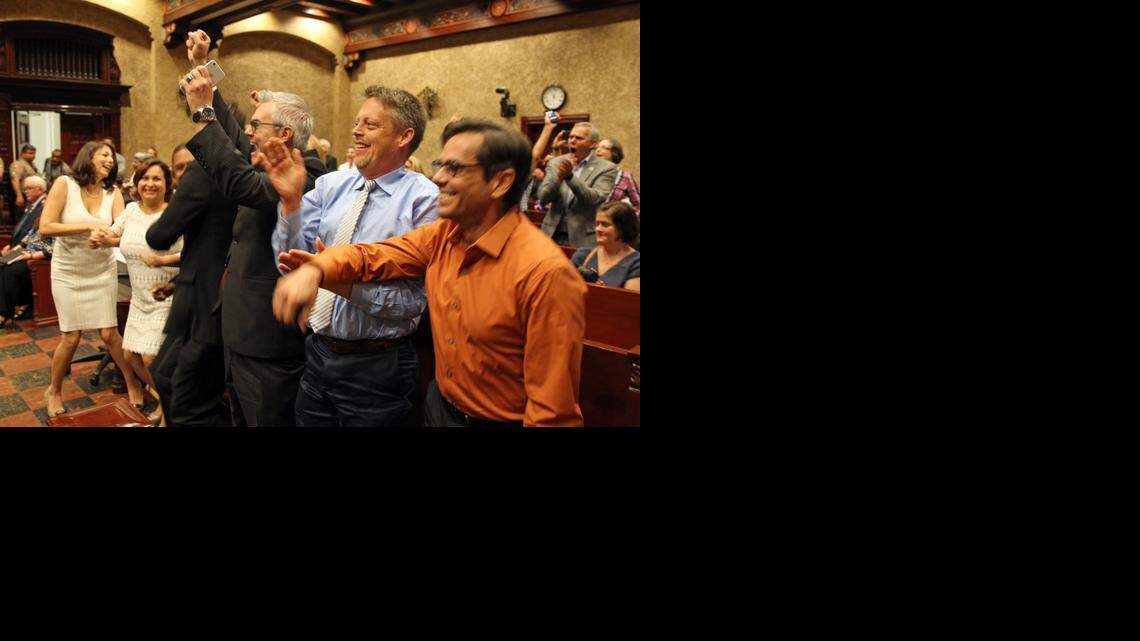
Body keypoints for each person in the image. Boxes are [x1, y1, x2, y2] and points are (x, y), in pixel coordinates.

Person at [269, 118, 585, 427]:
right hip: (440, 406)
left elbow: (551, 409)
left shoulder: (545, 272)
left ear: (500, 182)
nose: (437, 178)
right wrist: (317, 270)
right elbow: (375, 255)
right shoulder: (444, 235)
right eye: (440, 164)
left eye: (454, 168)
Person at [268, 85, 438, 428]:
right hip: (318, 354)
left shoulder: (425, 200)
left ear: (404, 136)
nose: (356, 131)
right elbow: (290, 261)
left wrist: (336, 281)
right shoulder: (333, 185)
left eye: (370, 125)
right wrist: (291, 206)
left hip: (379, 366)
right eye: (357, 122)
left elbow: (412, 305)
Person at [182, 67, 327, 427]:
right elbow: (233, 141)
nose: (248, 130)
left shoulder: (307, 176)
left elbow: (236, 180)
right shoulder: (266, 168)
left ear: (285, 134)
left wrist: (203, 113)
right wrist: (210, 87)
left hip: (269, 344)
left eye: (257, 125)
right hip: (242, 332)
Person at [145, 29, 245, 427]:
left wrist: (180, 199)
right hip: (195, 298)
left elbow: (158, 235)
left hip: (209, 304)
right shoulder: (232, 159)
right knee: (166, 377)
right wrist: (199, 65)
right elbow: (223, 122)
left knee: (189, 399)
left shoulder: (211, 172)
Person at [37, 140, 144, 417]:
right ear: (89, 156)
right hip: (67, 271)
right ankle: (54, 390)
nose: (111, 160)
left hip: (101, 269)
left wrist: (106, 238)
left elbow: (121, 234)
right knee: (70, 337)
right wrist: (88, 225)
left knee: (109, 334)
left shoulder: (114, 194)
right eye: (105, 155)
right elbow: (45, 227)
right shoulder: (65, 184)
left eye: (113, 158)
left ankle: (132, 383)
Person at [90, 160, 181, 425]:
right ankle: (166, 401)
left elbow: (189, 253)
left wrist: (162, 260)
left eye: (157, 179)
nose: (150, 184)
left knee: (152, 358)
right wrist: (101, 235)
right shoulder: (130, 211)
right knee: (130, 355)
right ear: (137, 183)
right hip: (139, 298)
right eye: (144, 178)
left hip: (165, 292)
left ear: (167, 184)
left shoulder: (175, 214)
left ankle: (169, 409)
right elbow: (116, 232)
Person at [536, 122, 617, 248]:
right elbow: (543, 197)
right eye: (571, 137)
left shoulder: (607, 168)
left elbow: (594, 199)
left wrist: (570, 177)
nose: (572, 141)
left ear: (593, 144)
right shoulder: (556, 162)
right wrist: (558, 178)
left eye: (578, 138)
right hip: (551, 234)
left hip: (583, 238)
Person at [0, 176, 52, 326]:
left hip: (36, 255)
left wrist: (29, 255)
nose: (25, 191)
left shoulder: (45, 209)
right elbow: (28, 237)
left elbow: (53, 246)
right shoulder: (35, 210)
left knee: (10, 270)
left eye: (29, 188)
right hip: (25, 249)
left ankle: (4, 313)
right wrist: (13, 249)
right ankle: (5, 309)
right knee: (2, 262)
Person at [570, 202, 640, 291]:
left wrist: (604, 292)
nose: (598, 229)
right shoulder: (582, 255)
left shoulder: (636, 263)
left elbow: (629, 302)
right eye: (597, 224)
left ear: (622, 229)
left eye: (605, 224)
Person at [594, 138, 640, 214]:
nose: (598, 150)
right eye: (597, 147)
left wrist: (626, 219)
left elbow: (638, 204)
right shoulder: (589, 172)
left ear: (614, 153)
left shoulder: (625, 176)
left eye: (604, 147)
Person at [9, 144, 40, 220]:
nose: (33, 156)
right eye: (30, 153)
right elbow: (15, 180)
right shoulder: (18, 164)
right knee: (22, 220)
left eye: (34, 153)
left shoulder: (31, 165)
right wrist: (19, 196)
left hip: (32, 197)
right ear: (22, 153)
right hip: (23, 196)